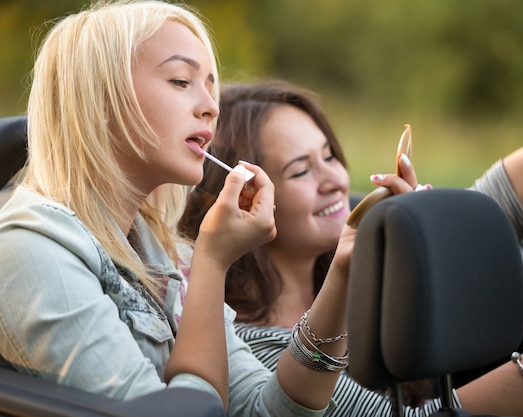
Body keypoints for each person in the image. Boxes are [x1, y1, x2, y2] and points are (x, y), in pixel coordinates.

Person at [178, 79, 523, 417]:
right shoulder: (251, 349)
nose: (335, 179)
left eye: (329, 155)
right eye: (300, 171)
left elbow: (494, 204)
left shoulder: (360, 266)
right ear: (239, 199)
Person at [0, 2, 364, 416]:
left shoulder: (163, 253)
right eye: (181, 80)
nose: (211, 105)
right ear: (100, 99)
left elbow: (268, 411)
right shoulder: (28, 250)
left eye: (210, 85)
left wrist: (343, 269)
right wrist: (213, 262)